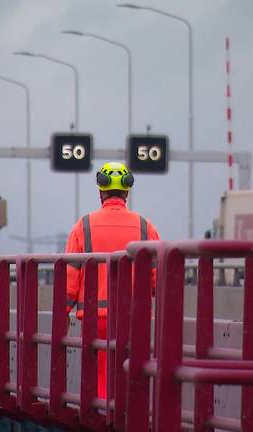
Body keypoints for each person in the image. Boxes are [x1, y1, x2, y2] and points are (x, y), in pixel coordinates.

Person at [65, 161, 161, 399]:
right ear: (127, 191)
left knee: (99, 378)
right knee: (131, 373)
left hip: (94, 318)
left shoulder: (83, 226)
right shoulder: (145, 227)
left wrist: (61, 314)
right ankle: (131, 413)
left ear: (101, 191)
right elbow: (159, 279)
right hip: (133, 318)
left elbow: (70, 279)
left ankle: (102, 414)